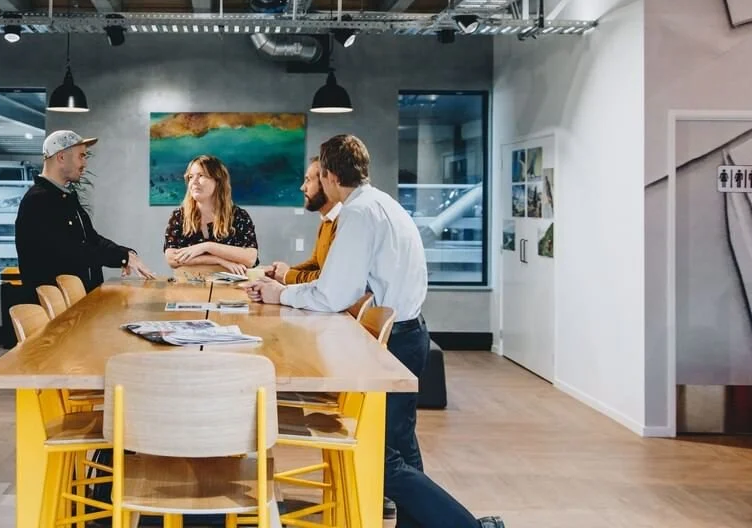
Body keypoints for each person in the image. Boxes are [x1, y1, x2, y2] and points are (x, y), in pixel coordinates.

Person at [242, 134, 504, 528]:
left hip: (393, 343)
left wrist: (281, 294)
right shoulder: (382, 203)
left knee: (380, 455)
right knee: (399, 446)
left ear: (329, 175)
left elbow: (334, 293)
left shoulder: (358, 214)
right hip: (408, 333)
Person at [9, 130, 154, 346]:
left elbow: (91, 238)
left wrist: (126, 253)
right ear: (60, 157)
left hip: (76, 313)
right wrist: (119, 256)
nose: (84, 163)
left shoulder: (64, 196)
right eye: (81, 156)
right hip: (57, 322)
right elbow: (71, 252)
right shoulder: (39, 202)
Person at [163, 155, 258, 276]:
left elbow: (250, 258)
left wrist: (207, 247)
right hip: (189, 288)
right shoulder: (179, 216)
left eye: (201, 175)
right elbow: (172, 259)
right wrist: (219, 260)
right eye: (191, 177)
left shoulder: (238, 215)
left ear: (218, 181)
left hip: (232, 289)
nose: (194, 182)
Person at [266, 157, 340, 284]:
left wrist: (287, 275)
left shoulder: (343, 222)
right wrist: (280, 272)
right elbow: (316, 264)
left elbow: (327, 278)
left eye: (308, 180)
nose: (302, 187)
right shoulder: (326, 220)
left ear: (325, 183)